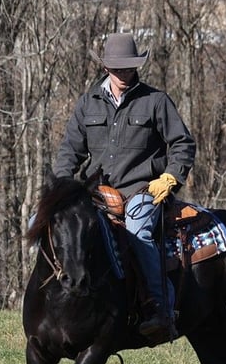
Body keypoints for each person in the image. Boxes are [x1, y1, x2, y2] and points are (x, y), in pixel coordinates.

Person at [53, 32, 196, 343]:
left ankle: (160, 308)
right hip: (96, 193)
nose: (123, 73)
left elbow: (183, 144)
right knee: (58, 228)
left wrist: (170, 178)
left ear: (136, 67)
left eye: (128, 68)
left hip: (141, 191)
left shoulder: (155, 101)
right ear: (106, 67)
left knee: (138, 230)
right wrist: (64, 187)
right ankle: (59, 301)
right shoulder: (88, 103)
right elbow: (69, 150)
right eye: (117, 68)